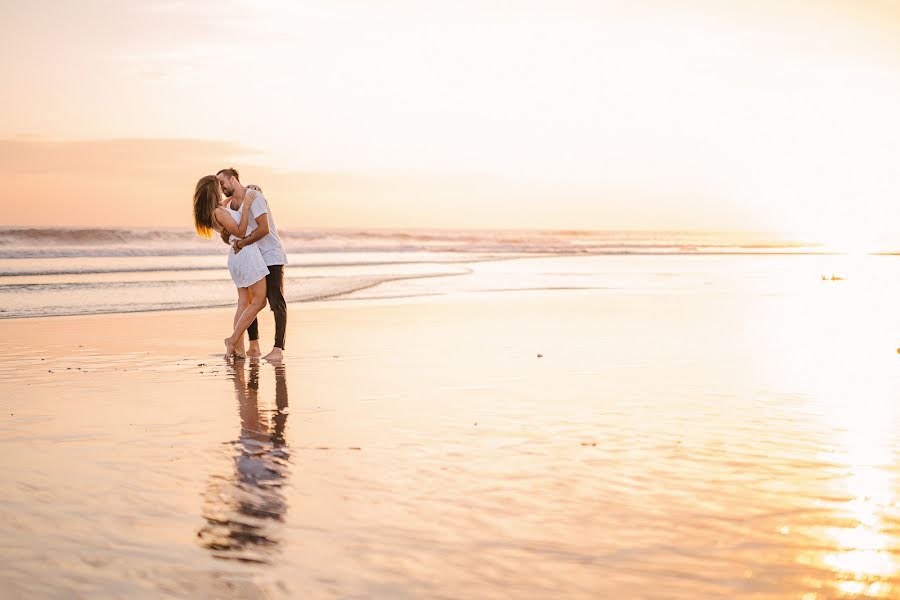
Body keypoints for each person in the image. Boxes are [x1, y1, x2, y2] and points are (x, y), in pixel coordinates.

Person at [216, 168, 288, 362]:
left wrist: (241, 243)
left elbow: (263, 229)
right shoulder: (232, 206)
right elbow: (231, 232)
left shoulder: (253, 196)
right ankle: (253, 346)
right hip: (253, 257)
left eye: (223, 183)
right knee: (250, 303)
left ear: (233, 179)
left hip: (270, 254)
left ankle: (278, 349)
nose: (221, 188)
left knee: (275, 301)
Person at [192, 175, 268, 359]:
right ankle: (233, 340)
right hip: (245, 255)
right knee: (259, 301)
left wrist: (245, 192)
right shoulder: (218, 212)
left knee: (244, 303)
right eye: (219, 186)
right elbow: (241, 231)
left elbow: (229, 209)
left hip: (238, 256)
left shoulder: (217, 210)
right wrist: (248, 205)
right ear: (212, 191)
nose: (222, 188)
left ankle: (239, 349)